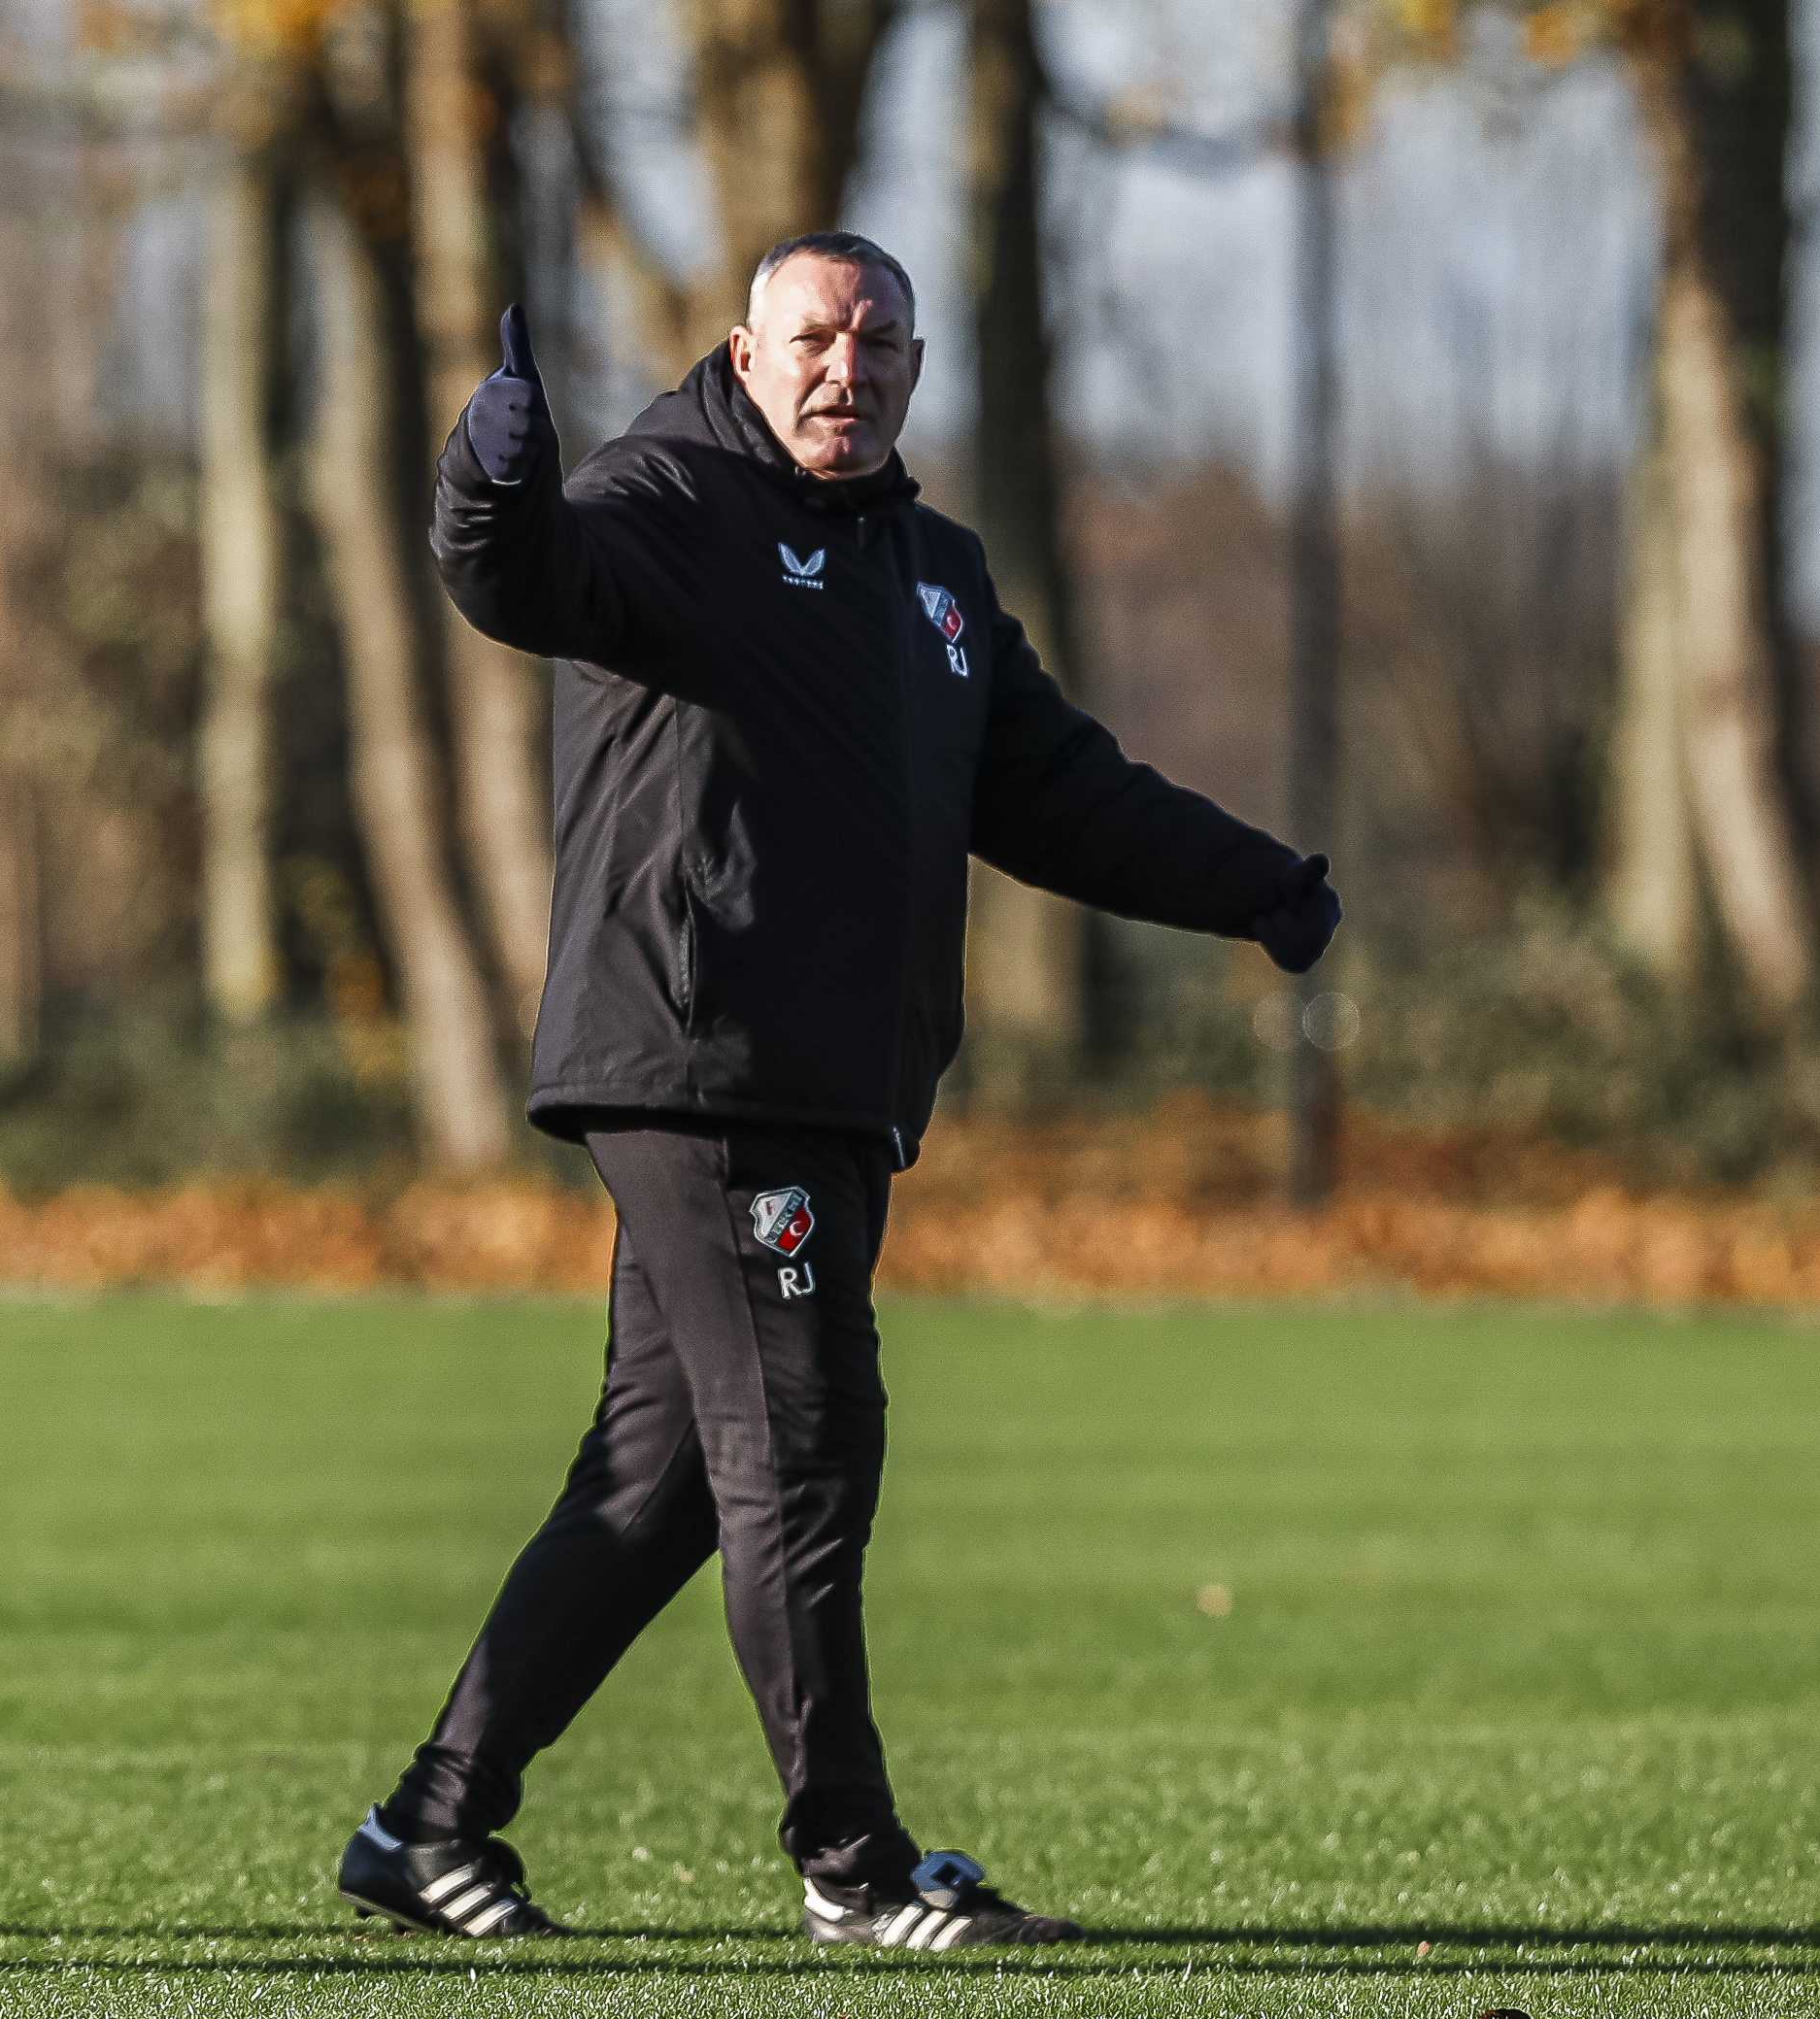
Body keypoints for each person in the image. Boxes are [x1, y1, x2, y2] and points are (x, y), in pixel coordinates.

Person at [330, 232, 1340, 1953]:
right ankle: (857, 1869)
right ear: (745, 351)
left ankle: (425, 1824)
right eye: (811, 338)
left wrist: (1253, 881)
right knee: (802, 1444)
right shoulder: (665, 497)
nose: (841, 369)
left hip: (829, 1090)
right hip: (703, 1066)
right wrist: (487, 468)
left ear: (914, 369)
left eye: (876, 343)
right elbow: (520, 575)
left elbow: (1055, 791)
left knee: (657, 1485)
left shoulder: (931, 580)